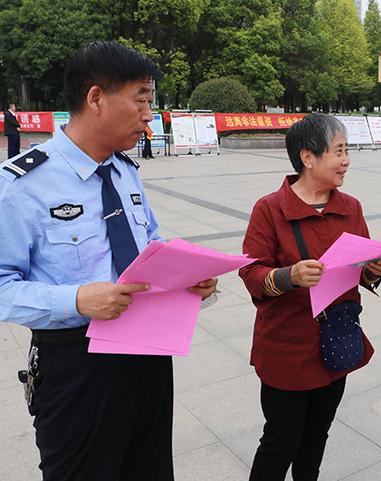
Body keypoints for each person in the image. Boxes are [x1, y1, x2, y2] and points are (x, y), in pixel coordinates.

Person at [0, 41, 218, 481]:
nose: (149, 115)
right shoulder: (20, 185)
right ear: (95, 97)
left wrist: (187, 274)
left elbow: (149, 241)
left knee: (152, 468)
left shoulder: (125, 172)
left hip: (149, 354)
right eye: (141, 99)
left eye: (150, 102)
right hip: (78, 369)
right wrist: (76, 299)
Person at [239, 113, 381, 481]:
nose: (346, 161)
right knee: (281, 440)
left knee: (316, 438)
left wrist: (375, 269)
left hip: (335, 342)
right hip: (287, 348)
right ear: (308, 157)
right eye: (339, 151)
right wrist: (288, 276)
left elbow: (358, 269)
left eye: (347, 151)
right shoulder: (270, 209)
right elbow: (251, 273)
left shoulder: (350, 207)